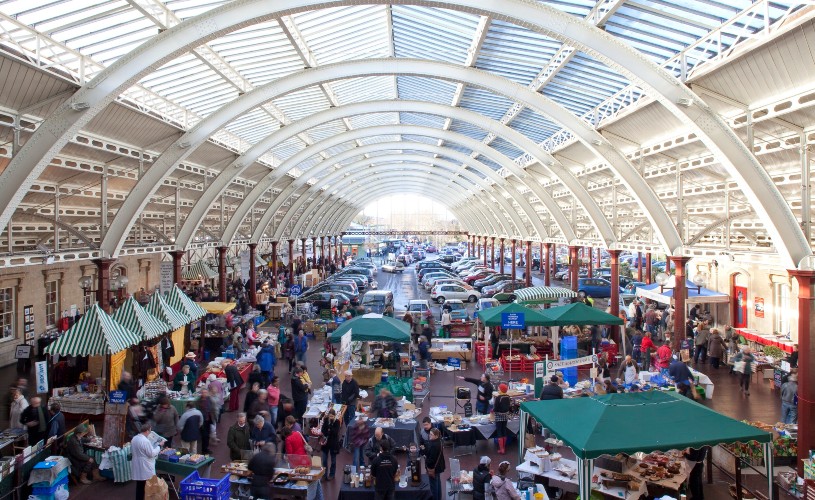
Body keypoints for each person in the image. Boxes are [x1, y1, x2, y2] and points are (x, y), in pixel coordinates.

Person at [131, 423, 162, 500]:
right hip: (145, 466)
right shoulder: (145, 441)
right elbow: (151, 454)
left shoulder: (134, 438)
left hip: (137, 464)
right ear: (147, 431)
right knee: (147, 485)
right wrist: (159, 446)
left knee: (139, 485)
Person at [423, 427, 445, 500]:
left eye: (431, 435)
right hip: (439, 466)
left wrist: (427, 463)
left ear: (436, 436)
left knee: (433, 486)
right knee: (438, 483)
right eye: (430, 434)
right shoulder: (440, 441)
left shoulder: (433, 445)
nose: (430, 436)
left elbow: (431, 459)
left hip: (433, 468)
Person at [320, 409, 342, 479]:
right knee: (324, 460)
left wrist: (330, 428)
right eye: (330, 416)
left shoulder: (337, 422)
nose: (331, 418)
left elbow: (335, 432)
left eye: (332, 416)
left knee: (333, 461)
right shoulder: (326, 420)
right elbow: (323, 430)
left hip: (333, 443)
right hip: (326, 443)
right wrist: (328, 431)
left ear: (334, 416)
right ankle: (324, 474)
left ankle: (332, 474)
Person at [493, 383, 511, 454]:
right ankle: (504, 447)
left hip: (498, 416)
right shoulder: (508, 397)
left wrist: (493, 410)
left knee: (499, 431)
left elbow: (496, 407)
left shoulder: (498, 397)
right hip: (505, 416)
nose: (498, 389)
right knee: (504, 430)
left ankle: (501, 449)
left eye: (499, 388)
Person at [198, 388, 217, 454]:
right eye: (203, 392)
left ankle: (205, 448)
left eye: (206, 392)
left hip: (208, 419)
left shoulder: (209, 399)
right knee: (204, 435)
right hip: (202, 420)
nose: (204, 394)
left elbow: (212, 408)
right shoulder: (199, 401)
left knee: (207, 434)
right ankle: (204, 450)